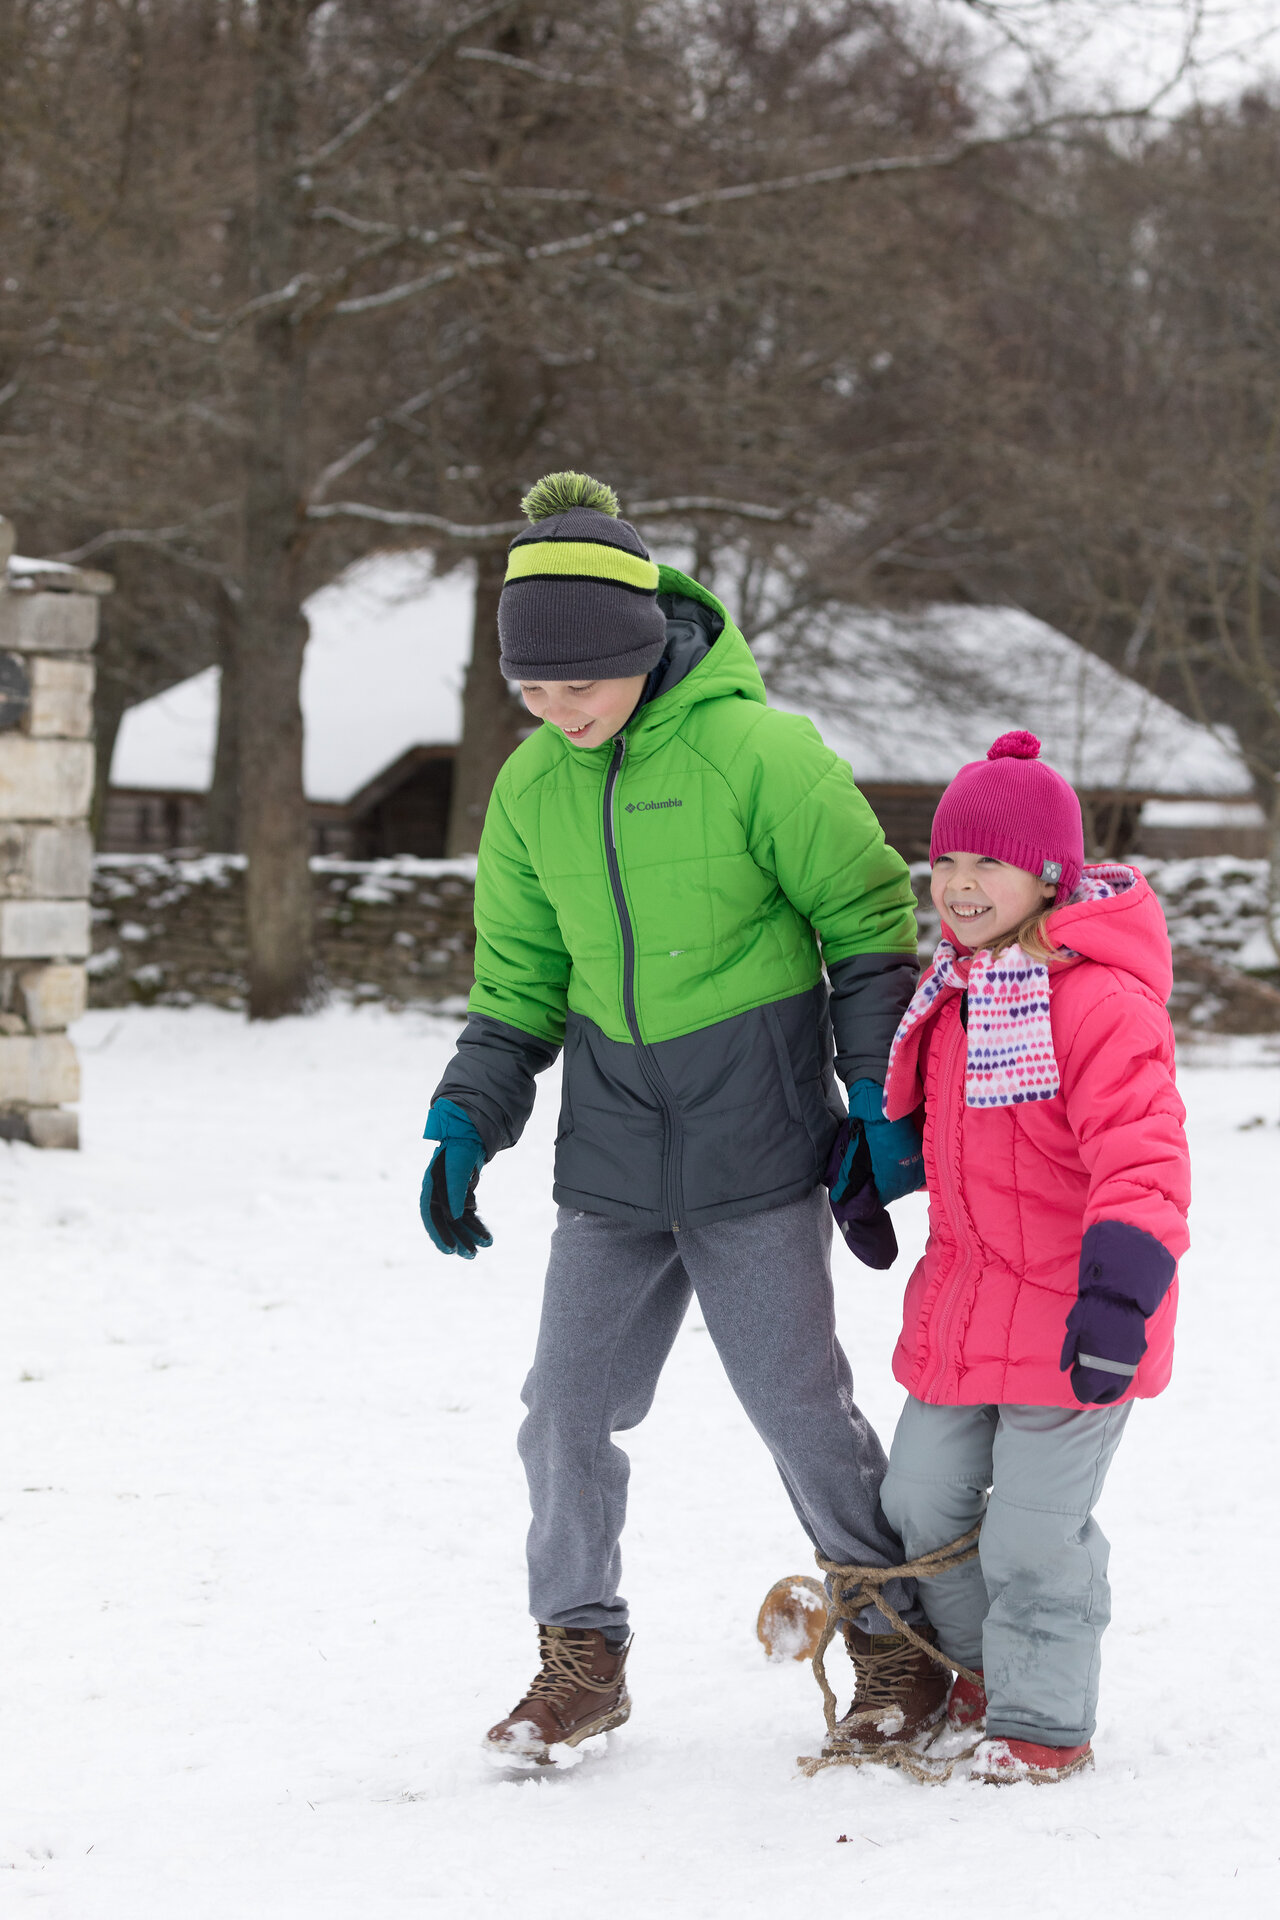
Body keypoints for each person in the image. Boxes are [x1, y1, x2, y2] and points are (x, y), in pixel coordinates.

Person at [420, 470, 930, 1767]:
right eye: (529, 691)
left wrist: (873, 1096)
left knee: (799, 1408)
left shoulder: (758, 750)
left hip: (755, 1146)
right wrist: (469, 1118)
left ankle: (893, 1645)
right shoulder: (532, 790)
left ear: (639, 648)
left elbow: (869, 925)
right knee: (562, 1410)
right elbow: (520, 987)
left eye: (573, 685)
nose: (553, 711)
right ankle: (580, 1658)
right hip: (612, 1156)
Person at [875, 730, 1190, 1784]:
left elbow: (1141, 1156)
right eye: (946, 863)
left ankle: (1040, 1722)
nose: (959, 887)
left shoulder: (1095, 998)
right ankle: (976, 1671)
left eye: (987, 866)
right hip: (966, 1306)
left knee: (1031, 1537)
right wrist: (876, 1157)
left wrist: (1119, 1295)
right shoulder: (957, 994)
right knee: (916, 1502)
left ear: (1046, 875)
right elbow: (961, 1138)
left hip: (1074, 1319)